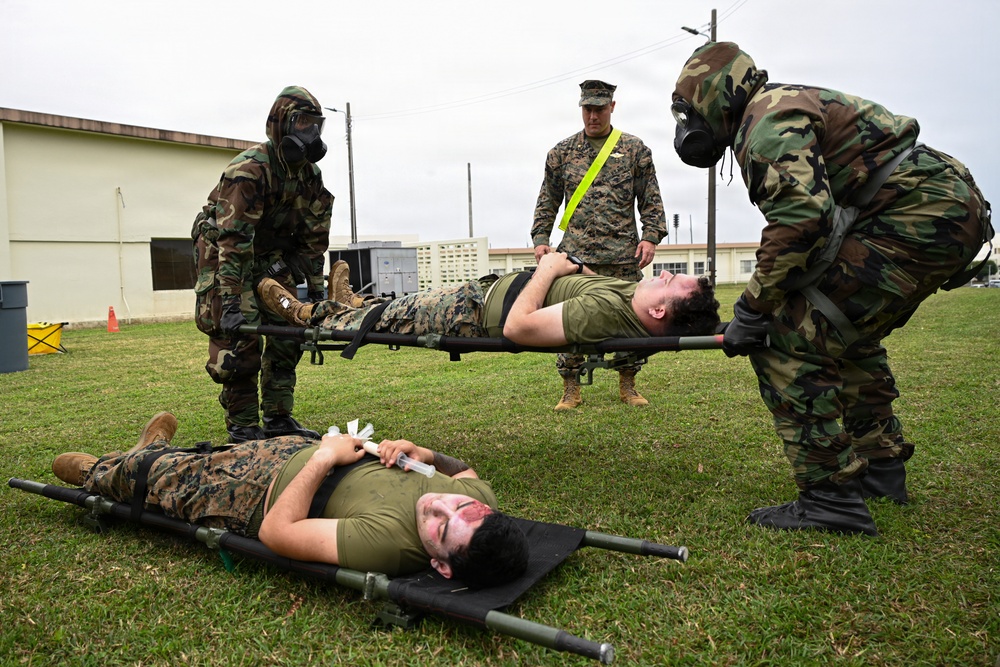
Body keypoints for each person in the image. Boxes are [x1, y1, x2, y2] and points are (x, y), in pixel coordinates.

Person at [671, 42, 994, 536]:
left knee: (786, 335)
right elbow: (815, 224)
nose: (687, 128)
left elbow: (802, 218)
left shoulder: (765, 123)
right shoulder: (777, 107)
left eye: (688, 112)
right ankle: (880, 472)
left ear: (713, 97)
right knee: (844, 333)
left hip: (918, 217)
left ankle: (830, 499)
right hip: (940, 210)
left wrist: (754, 310)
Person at [50, 412, 529, 587]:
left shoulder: (388, 546)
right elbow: (463, 470)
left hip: (256, 492)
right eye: (459, 506)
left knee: (161, 478)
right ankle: (153, 451)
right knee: (207, 454)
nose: (439, 506)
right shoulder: (473, 497)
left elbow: (276, 533)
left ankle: (105, 468)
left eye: (442, 528)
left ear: (442, 566)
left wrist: (324, 458)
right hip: (295, 453)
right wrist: (423, 452)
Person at [191, 86, 334, 444]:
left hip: (271, 257)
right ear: (281, 124)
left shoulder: (310, 178)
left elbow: (314, 240)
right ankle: (242, 426)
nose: (311, 134)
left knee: (290, 332)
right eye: (302, 123)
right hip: (226, 253)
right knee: (241, 337)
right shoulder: (249, 171)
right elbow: (233, 241)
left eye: (317, 125)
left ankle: (278, 418)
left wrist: (317, 296)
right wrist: (229, 299)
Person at [531, 80, 669, 410]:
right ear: (581, 108)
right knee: (569, 319)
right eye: (587, 109)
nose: (593, 115)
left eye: (599, 109)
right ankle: (570, 387)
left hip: (624, 254)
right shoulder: (562, 153)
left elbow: (651, 200)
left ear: (612, 107)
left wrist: (650, 236)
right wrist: (540, 239)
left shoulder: (635, 150)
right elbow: (547, 201)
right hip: (576, 255)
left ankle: (628, 384)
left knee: (630, 318)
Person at [258, 252, 720, 348]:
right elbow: (591, 279)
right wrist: (575, 266)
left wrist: (550, 269)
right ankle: (351, 304)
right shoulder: (629, 296)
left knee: (387, 318)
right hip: (479, 294)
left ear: (658, 311)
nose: (665, 273)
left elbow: (519, 328)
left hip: (471, 313)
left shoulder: (603, 315)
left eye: (671, 282)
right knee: (390, 310)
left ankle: (301, 312)